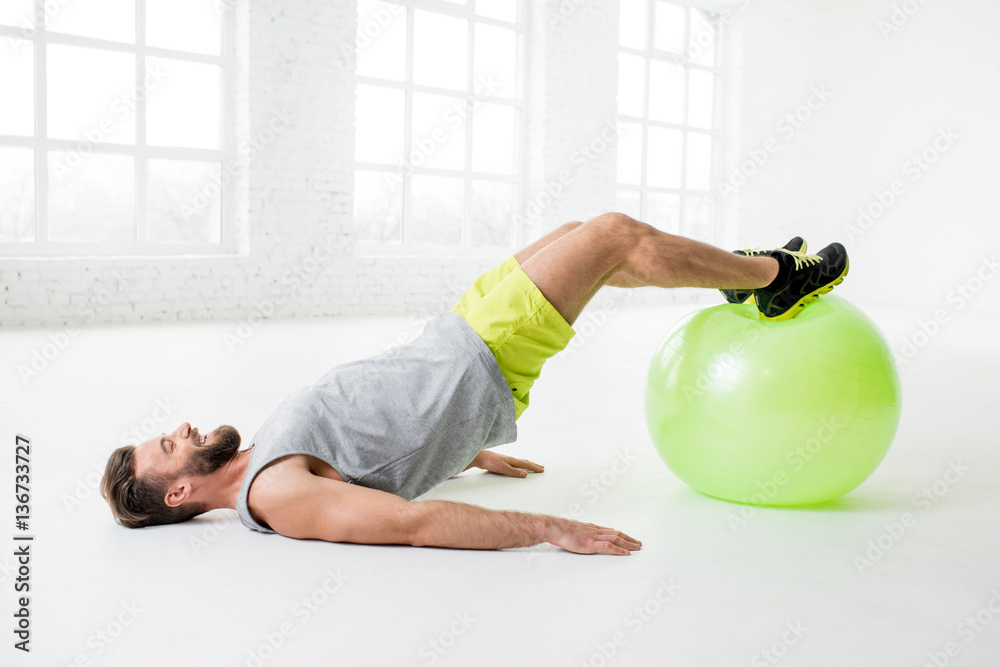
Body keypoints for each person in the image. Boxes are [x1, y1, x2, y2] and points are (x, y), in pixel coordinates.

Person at [101, 212, 848, 556]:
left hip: (462, 326)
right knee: (615, 237)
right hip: (487, 351)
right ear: (176, 493)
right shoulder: (273, 495)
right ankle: (777, 279)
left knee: (588, 230)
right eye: (167, 445)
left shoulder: (260, 457)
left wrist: (464, 449)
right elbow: (407, 521)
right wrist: (550, 528)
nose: (183, 429)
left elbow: (373, 444)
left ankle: (742, 272)